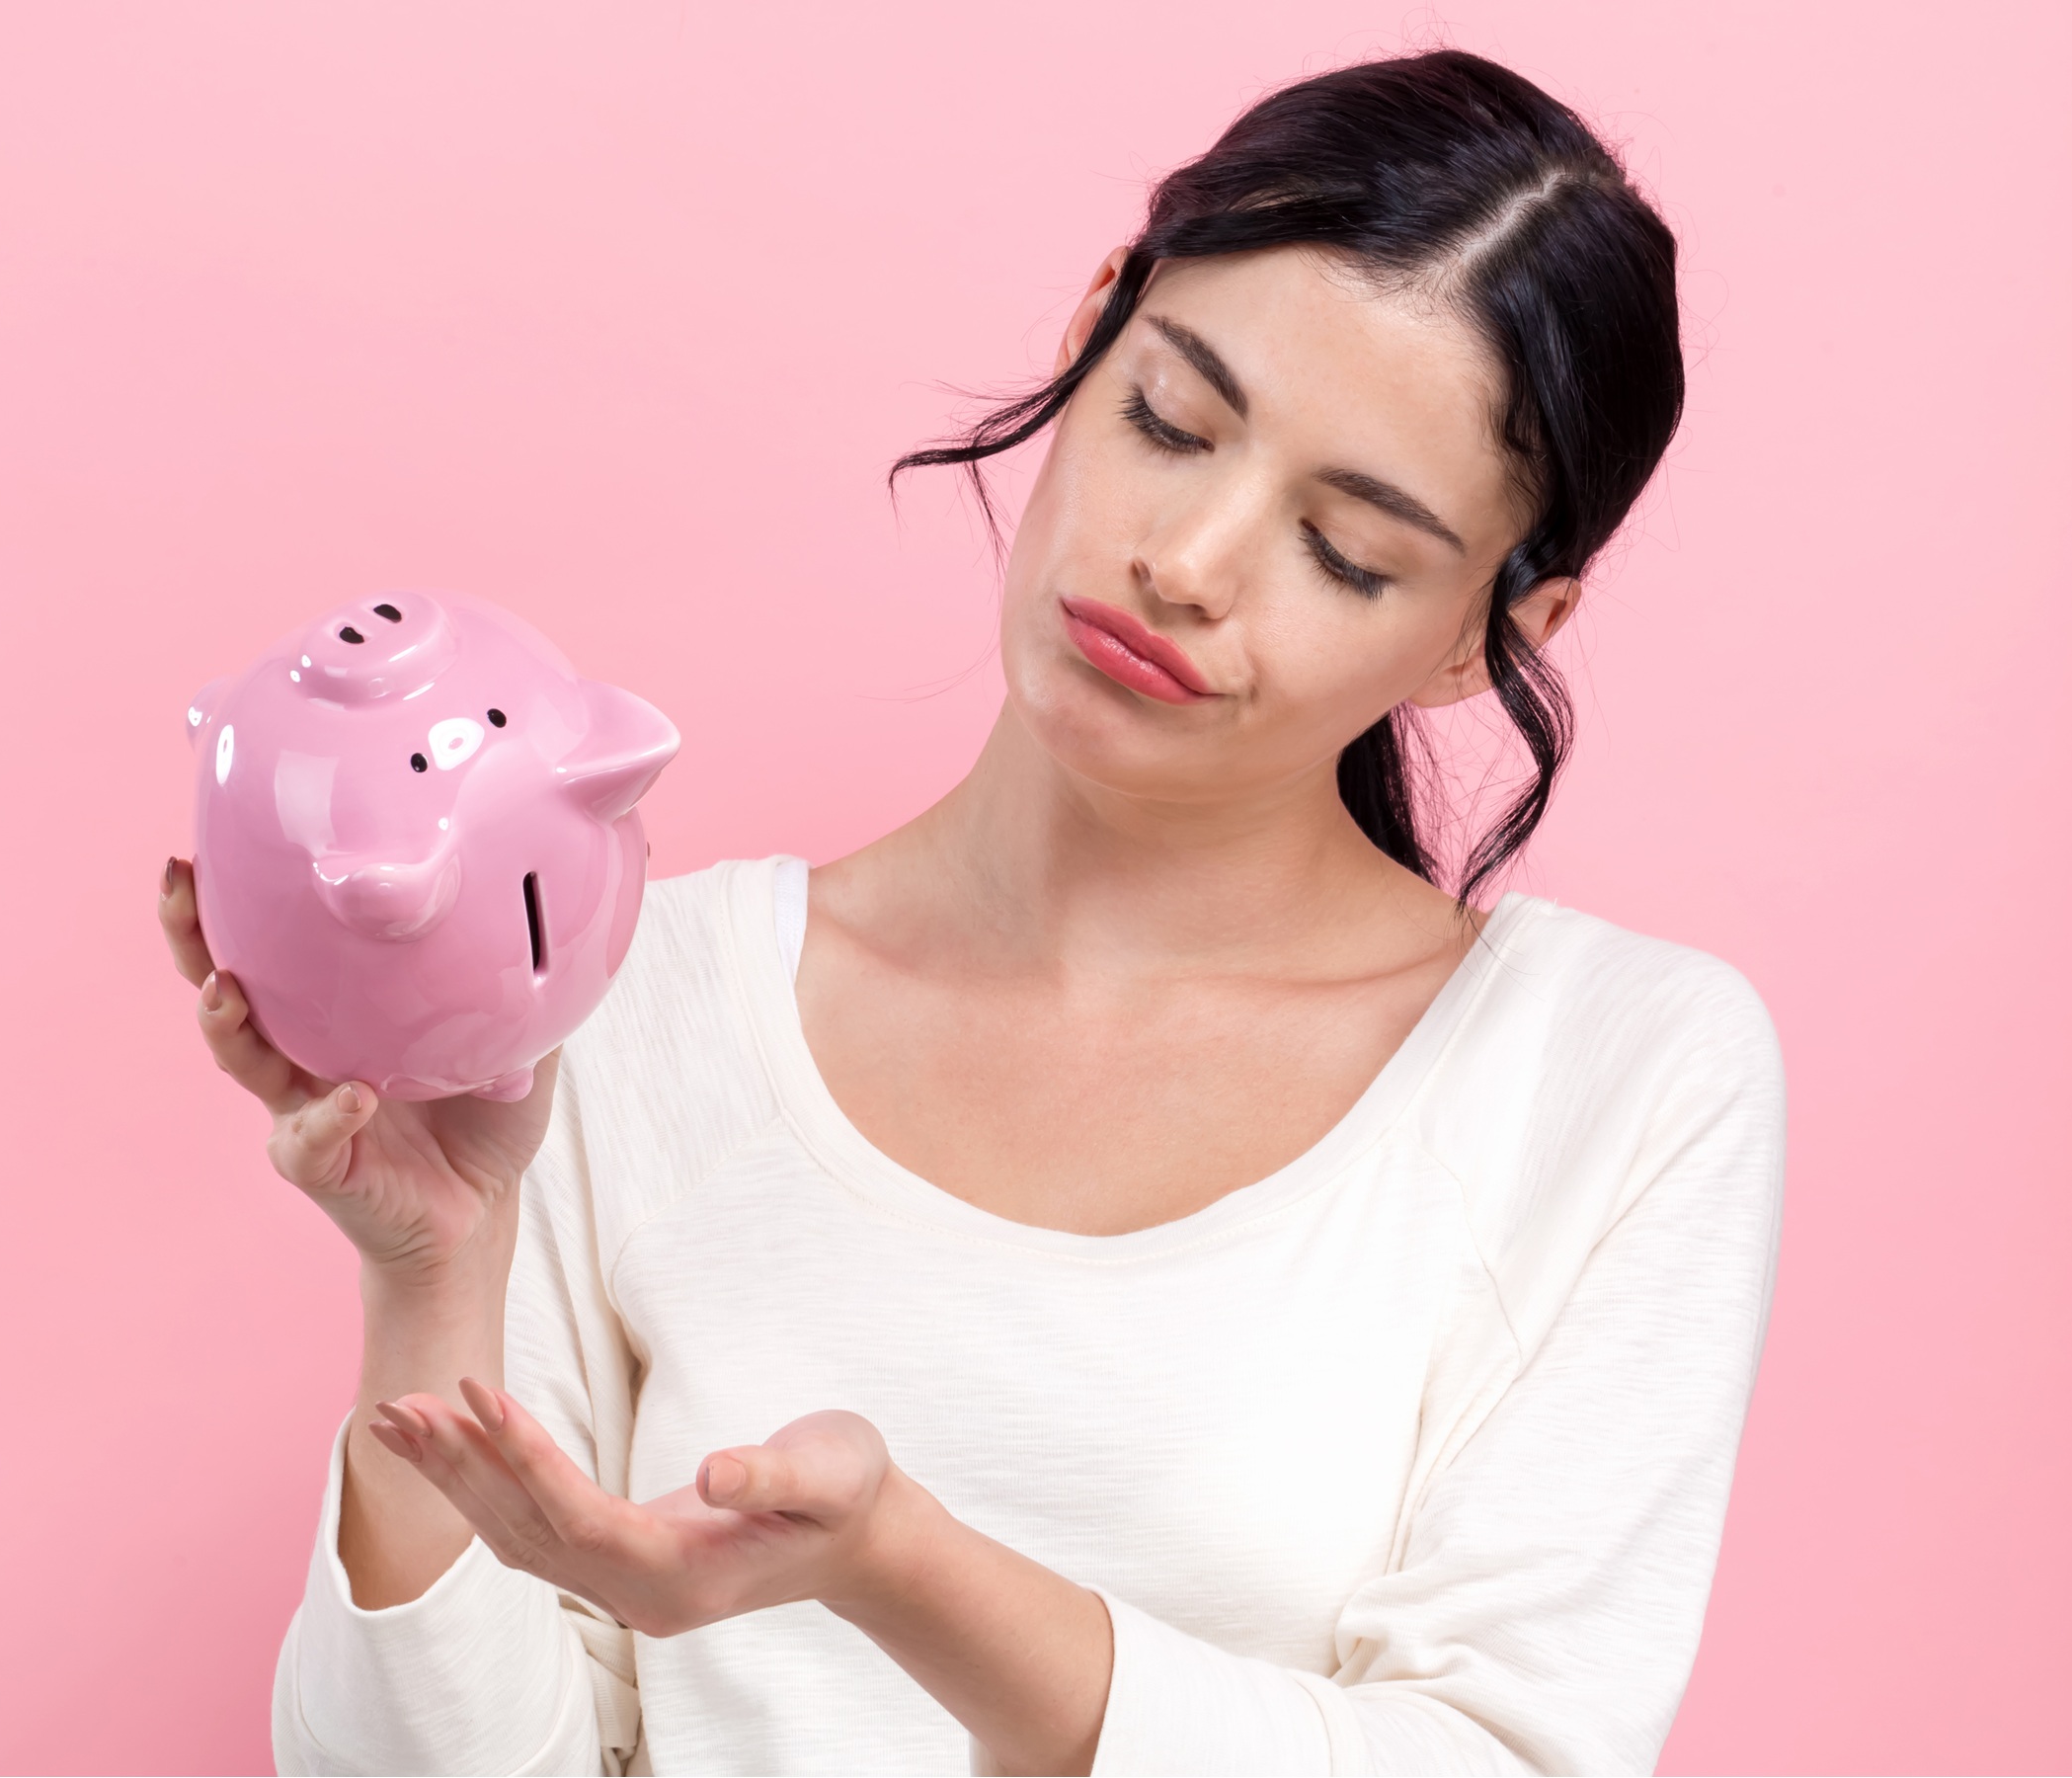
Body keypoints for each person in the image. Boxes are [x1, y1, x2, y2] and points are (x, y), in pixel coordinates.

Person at [158, 48, 1782, 1777]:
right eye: (1171, 417)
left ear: (1494, 633)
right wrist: (435, 1284)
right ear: (1099, 321)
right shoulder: (639, 998)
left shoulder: (1614, 1076)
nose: (1191, 560)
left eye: (1349, 551)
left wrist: (903, 1572)